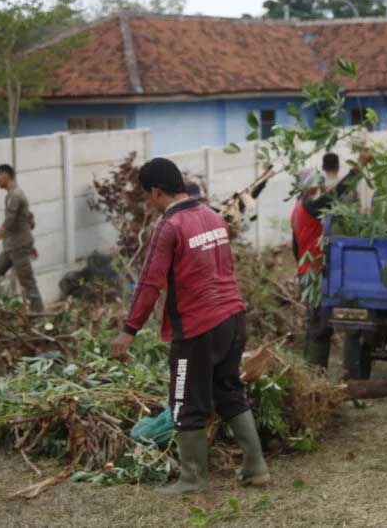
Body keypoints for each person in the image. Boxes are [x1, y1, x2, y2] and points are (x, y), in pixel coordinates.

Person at [109, 158, 268, 495]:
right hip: (233, 318)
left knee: (185, 401)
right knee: (228, 391)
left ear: (155, 191)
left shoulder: (169, 227)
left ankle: (193, 479)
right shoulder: (211, 215)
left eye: (148, 196)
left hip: (197, 329)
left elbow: (149, 283)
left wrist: (129, 330)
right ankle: (255, 467)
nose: (150, 203)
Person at [292, 149, 371, 367]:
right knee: (319, 327)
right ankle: (313, 377)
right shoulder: (310, 205)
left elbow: (295, 246)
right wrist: (358, 168)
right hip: (315, 273)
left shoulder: (297, 207)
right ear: (309, 189)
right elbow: (334, 196)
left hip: (309, 270)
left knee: (318, 325)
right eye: (317, 187)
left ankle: (313, 373)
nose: (321, 189)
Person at [0, 164, 43, 313]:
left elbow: (7, 224)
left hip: (18, 247)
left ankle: (40, 318)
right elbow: (29, 220)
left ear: (6, 175)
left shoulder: (16, 196)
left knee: (29, 284)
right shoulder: (12, 194)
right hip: (11, 246)